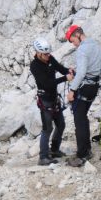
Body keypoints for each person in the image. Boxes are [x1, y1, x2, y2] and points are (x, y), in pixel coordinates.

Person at [64, 24, 101, 167]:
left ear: (78, 35)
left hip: (83, 88)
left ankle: (83, 154)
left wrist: (72, 90)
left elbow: (81, 73)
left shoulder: (82, 50)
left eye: (72, 40)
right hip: (94, 87)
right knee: (83, 117)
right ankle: (86, 149)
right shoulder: (97, 46)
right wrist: (92, 76)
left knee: (79, 119)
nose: (73, 44)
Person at [30, 38, 70, 166]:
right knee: (47, 129)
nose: (48, 56)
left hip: (54, 99)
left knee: (61, 124)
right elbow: (46, 83)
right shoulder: (35, 66)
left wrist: (69, 71)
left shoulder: (50, 59)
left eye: (48, 53)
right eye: (45, 54)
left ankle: (54, 150)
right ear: (38, 53)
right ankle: (43, 157)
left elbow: (60, 68)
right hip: (45, 100)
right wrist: (65, 78)